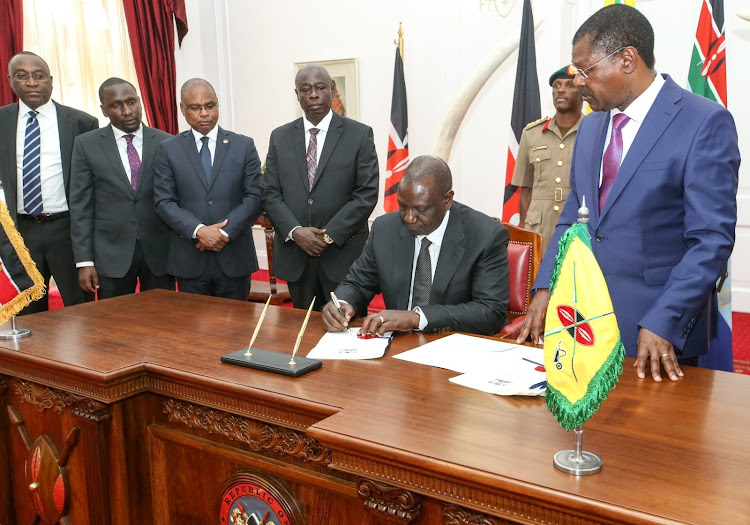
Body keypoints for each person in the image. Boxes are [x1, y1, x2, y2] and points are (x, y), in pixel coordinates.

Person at [517, 5, 740, 383]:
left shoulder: (702, 122)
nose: (579, 83)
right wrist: (544, 286)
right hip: (585, 323)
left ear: (626, 59)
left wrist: (664, 320)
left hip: (658, 335)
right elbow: (575, 212)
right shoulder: (591, 127)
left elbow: (711, 240)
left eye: (586, 70)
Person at [322, 155, 509, 336]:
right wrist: (342, 303)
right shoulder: (384, 229)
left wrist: (417, 318)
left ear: (447, 200)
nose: (409, 218)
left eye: (421, 209)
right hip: (395, 345)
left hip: (453, 345)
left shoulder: (485, 236)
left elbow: (491, 311)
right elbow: (358, 282)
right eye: (403, 207)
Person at [261, 64, 378, 310]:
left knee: (349, 334)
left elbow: (366, 194)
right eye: (305, 89)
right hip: (297, 257)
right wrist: (295, 231)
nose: (313, 94)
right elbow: (270, 193)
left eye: (320, 87)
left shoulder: (359, 135)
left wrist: (328, 235)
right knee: (302, 333)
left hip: (343, 257)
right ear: (297, 95)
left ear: (333, 90)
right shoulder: (280, 137)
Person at [0, 51, 98, 313]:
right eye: (22, 76)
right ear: (10, 80)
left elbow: (91, 187)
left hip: (67, 230)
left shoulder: (81, 123)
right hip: (20, 232)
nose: (31, 83)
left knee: (82, 310)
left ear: (51, 81)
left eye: (39, 76)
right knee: (28, 312)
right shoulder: (1, 121)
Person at [154, 78, 262, 300]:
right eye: (195, 108)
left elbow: (254, 196)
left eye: (210, 106)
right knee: (192, 331)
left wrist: (222, 233)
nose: (204, 113)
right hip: (189, 258)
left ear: (217, 106)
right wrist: (199, 231)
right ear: (182, 109)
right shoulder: (168, 149)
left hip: (234, 257)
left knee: (236, 330)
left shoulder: (243, 146)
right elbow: (164, 202)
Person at [69, 78, 173, 299]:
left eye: (132, 102)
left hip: (159, 251)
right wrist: (84, 261)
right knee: (114, 324)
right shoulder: (86, 145)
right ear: (104, 110)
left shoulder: (167, 143)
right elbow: (81, 206)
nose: (127, 111)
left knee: (164, 321)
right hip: (110, 254)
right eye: (117, 105)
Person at [511, 65, 583, 255]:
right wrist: (527, 235)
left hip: (576, 228)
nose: (561, 89)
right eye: (557, 85)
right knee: (537, 283)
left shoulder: (594, 132)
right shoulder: (532, 134)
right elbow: (525, 191)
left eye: (569, 85)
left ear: (583, 91)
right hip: (539, 229)